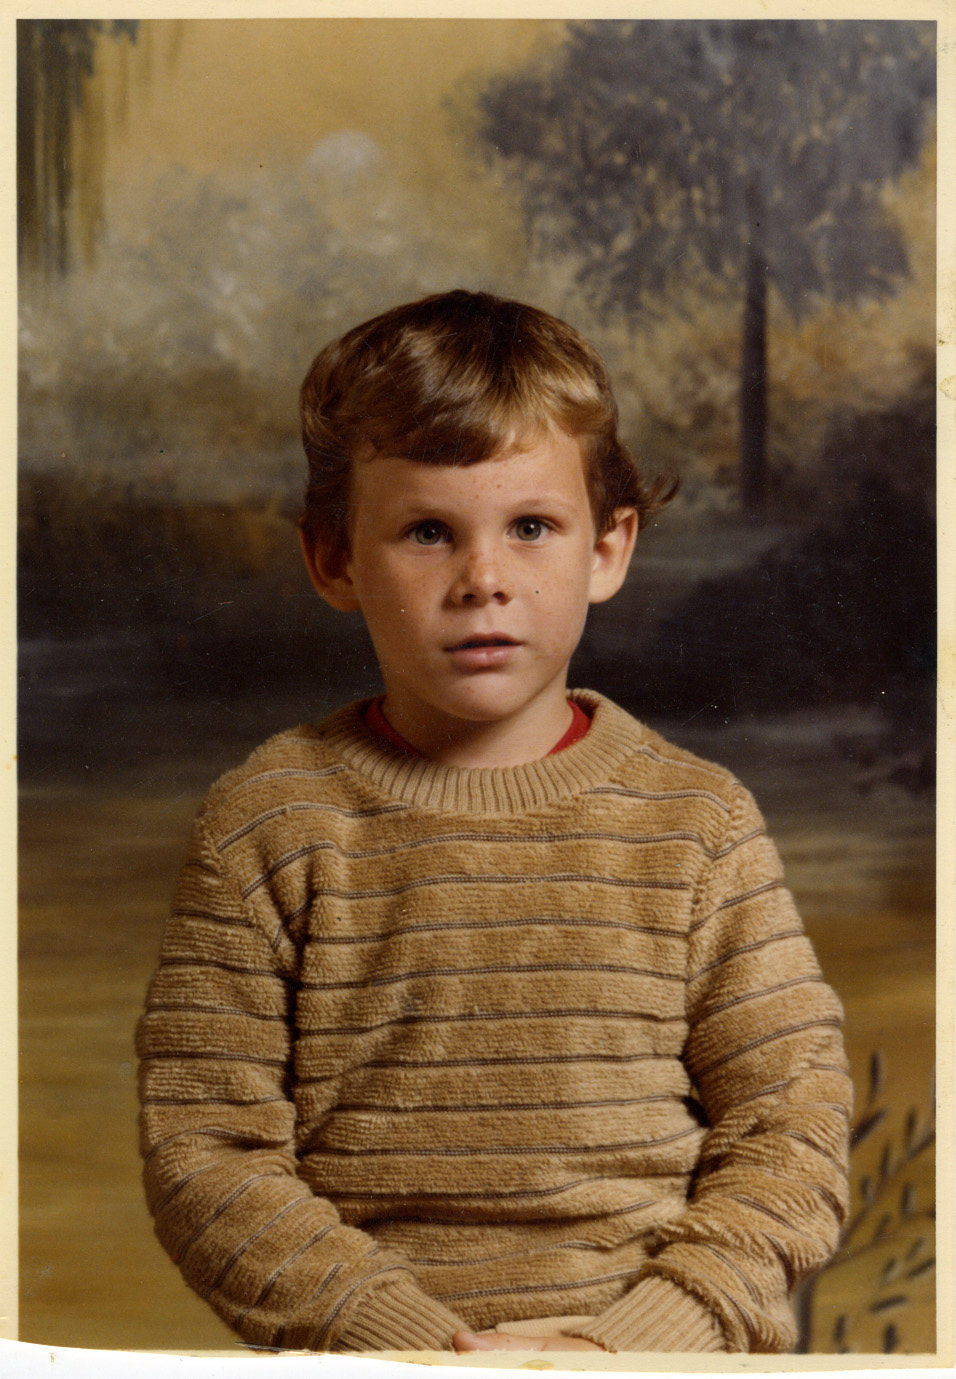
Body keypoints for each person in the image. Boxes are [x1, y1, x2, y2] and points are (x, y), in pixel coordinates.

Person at [136, 289, 852, 1356]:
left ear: (606, 548)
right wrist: (403, 1343)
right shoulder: (268, 821)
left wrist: (643, 1339)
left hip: (648, 1353)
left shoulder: (697, 822)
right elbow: (204, 1149)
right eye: (428, 531)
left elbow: (792, 1122)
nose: (483, 579)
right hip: (376, 1355)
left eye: (531, 527)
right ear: (333, 558)